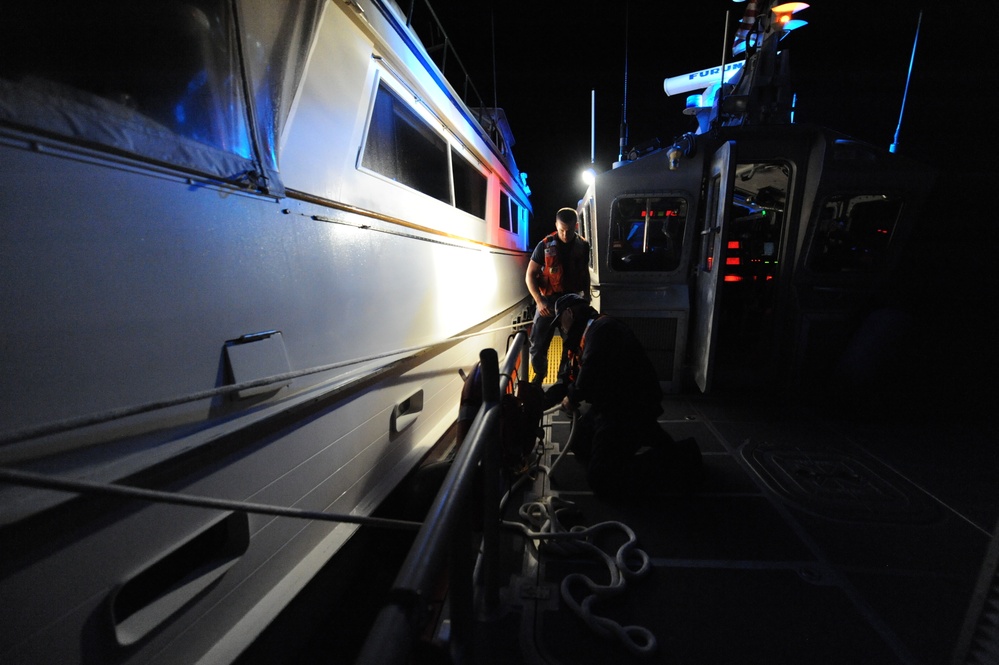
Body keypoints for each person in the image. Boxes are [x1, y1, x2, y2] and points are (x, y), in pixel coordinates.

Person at [553, 294, 703, 498]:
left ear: (569, 313)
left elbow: (590, 368)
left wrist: (572, 397)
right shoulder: (587, 334)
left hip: (629, 409)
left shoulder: (602, 328)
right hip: (611, 403)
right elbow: (572, 376)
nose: (561, 328)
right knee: (580, 443)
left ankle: (681, 457)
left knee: (602, 479)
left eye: (560, 321)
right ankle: (649, 436)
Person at [525, 207, 590, 386]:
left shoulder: (583, 246)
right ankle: (539, 375)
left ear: (576, 226)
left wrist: (586, 296)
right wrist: (539, 301)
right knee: (537, 344)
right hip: (548, 302)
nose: (565, 234)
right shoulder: (544, 245)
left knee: (571, 344)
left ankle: (564, 381)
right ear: (556, 225)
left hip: (571, 301)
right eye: (561, 230)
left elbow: (584, 272)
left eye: (569, 230)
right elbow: (530, 275)